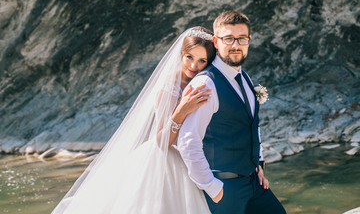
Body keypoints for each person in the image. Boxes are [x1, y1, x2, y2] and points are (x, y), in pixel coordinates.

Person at [52, 27, 216, 213]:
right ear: (181, 54)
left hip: (184, 158)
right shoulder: (170, 84)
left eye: (202, 60)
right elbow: (162, 141)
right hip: (161, 161)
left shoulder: (199, 81)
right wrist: (181, 110)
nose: (194, 66)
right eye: (189, 57)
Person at [177, 11, 287, 214]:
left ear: (249, 41)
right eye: (228, 39)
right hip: (224, 189)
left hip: (254, 183)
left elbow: (252, 124)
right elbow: (188, 140)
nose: (236, 45)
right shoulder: (206, 83)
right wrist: (212, 187)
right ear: (216, 42)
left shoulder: (244, 77)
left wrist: (259, 163)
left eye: (241, 39)